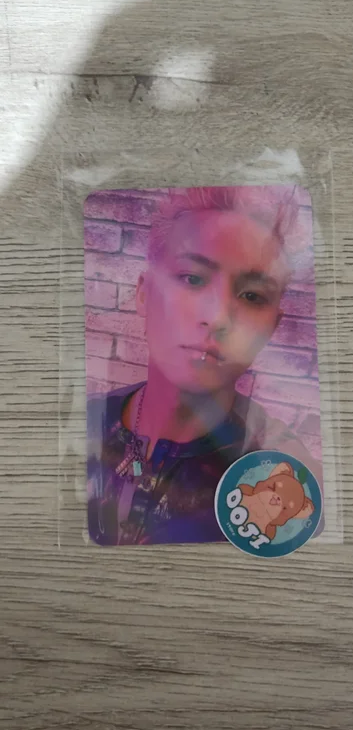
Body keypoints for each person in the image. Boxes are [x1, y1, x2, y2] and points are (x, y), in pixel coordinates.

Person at [87, 185, 322, 545]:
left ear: (272, 328)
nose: (217, 317)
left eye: (252, 296)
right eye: (192, 278)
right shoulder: (83, 426)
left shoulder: (283, 479)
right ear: (144, 293)